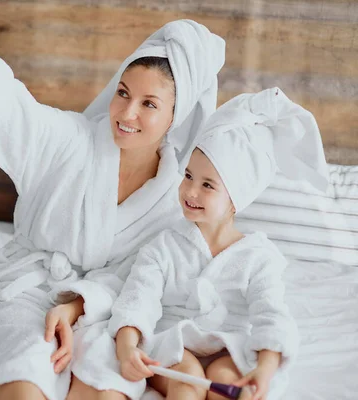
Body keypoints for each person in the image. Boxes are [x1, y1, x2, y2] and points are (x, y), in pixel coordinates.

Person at [0, 4, 225, 399]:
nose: (126, 112)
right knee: (28, 369)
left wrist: (75, 305)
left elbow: (135, 276)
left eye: (149, 104)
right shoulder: (71, 142)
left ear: (175, 116)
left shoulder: (172, 196)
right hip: (23, 292)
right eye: (123, 93)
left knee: (106, 383)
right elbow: (11, 108)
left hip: (97, 311)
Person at [96, 87, 328, 400]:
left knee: (228, 382)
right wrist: (127, 347)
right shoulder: (164, 245)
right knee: (188, 379)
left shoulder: (259, 257)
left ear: (236, 200)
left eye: (207, 185)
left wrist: (265, 368)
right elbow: (138, 297)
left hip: (230, 347)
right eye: (188, 176)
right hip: (176, 345)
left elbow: (270, 313)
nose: (190, 191)